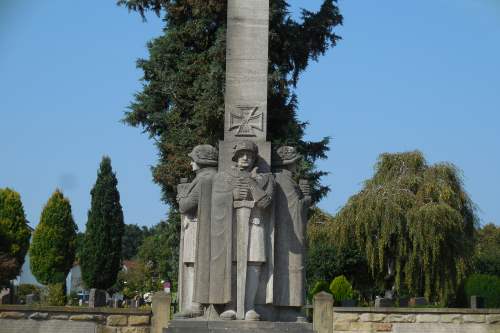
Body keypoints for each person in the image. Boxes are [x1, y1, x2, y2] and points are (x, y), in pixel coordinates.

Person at [209, 140, 274, 321]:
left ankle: (250, 307)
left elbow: (266, 202)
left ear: (254, 159)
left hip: (255, 224)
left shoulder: (266, 177)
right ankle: (231, 306)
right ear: (236, 157)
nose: (246, 158)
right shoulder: (224, 176)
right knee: (232, 262)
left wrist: (251, 183)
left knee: (254, 262)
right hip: (231, 226)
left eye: (250, 155)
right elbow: (215, 201)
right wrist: (232, 195)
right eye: (242, 154)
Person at [175, 144, 218, 318]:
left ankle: (195, 304)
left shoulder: (204, 179)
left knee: (193, 266)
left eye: (193, 159)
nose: (191, 163)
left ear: (201, 160)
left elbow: (186, 206)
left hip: (198, 227)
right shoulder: (214, 177)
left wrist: (181, 197)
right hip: (209, 229)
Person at [272, 146, 311, 321]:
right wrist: (306, 199)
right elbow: (295, 207)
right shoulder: (285, 180)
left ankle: (289, 308)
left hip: (286, 234)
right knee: (292, 268)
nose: (297, 165)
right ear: (290, 163)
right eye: (295, 162)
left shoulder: (282, 179)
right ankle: (288, 308)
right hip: (290, 235)